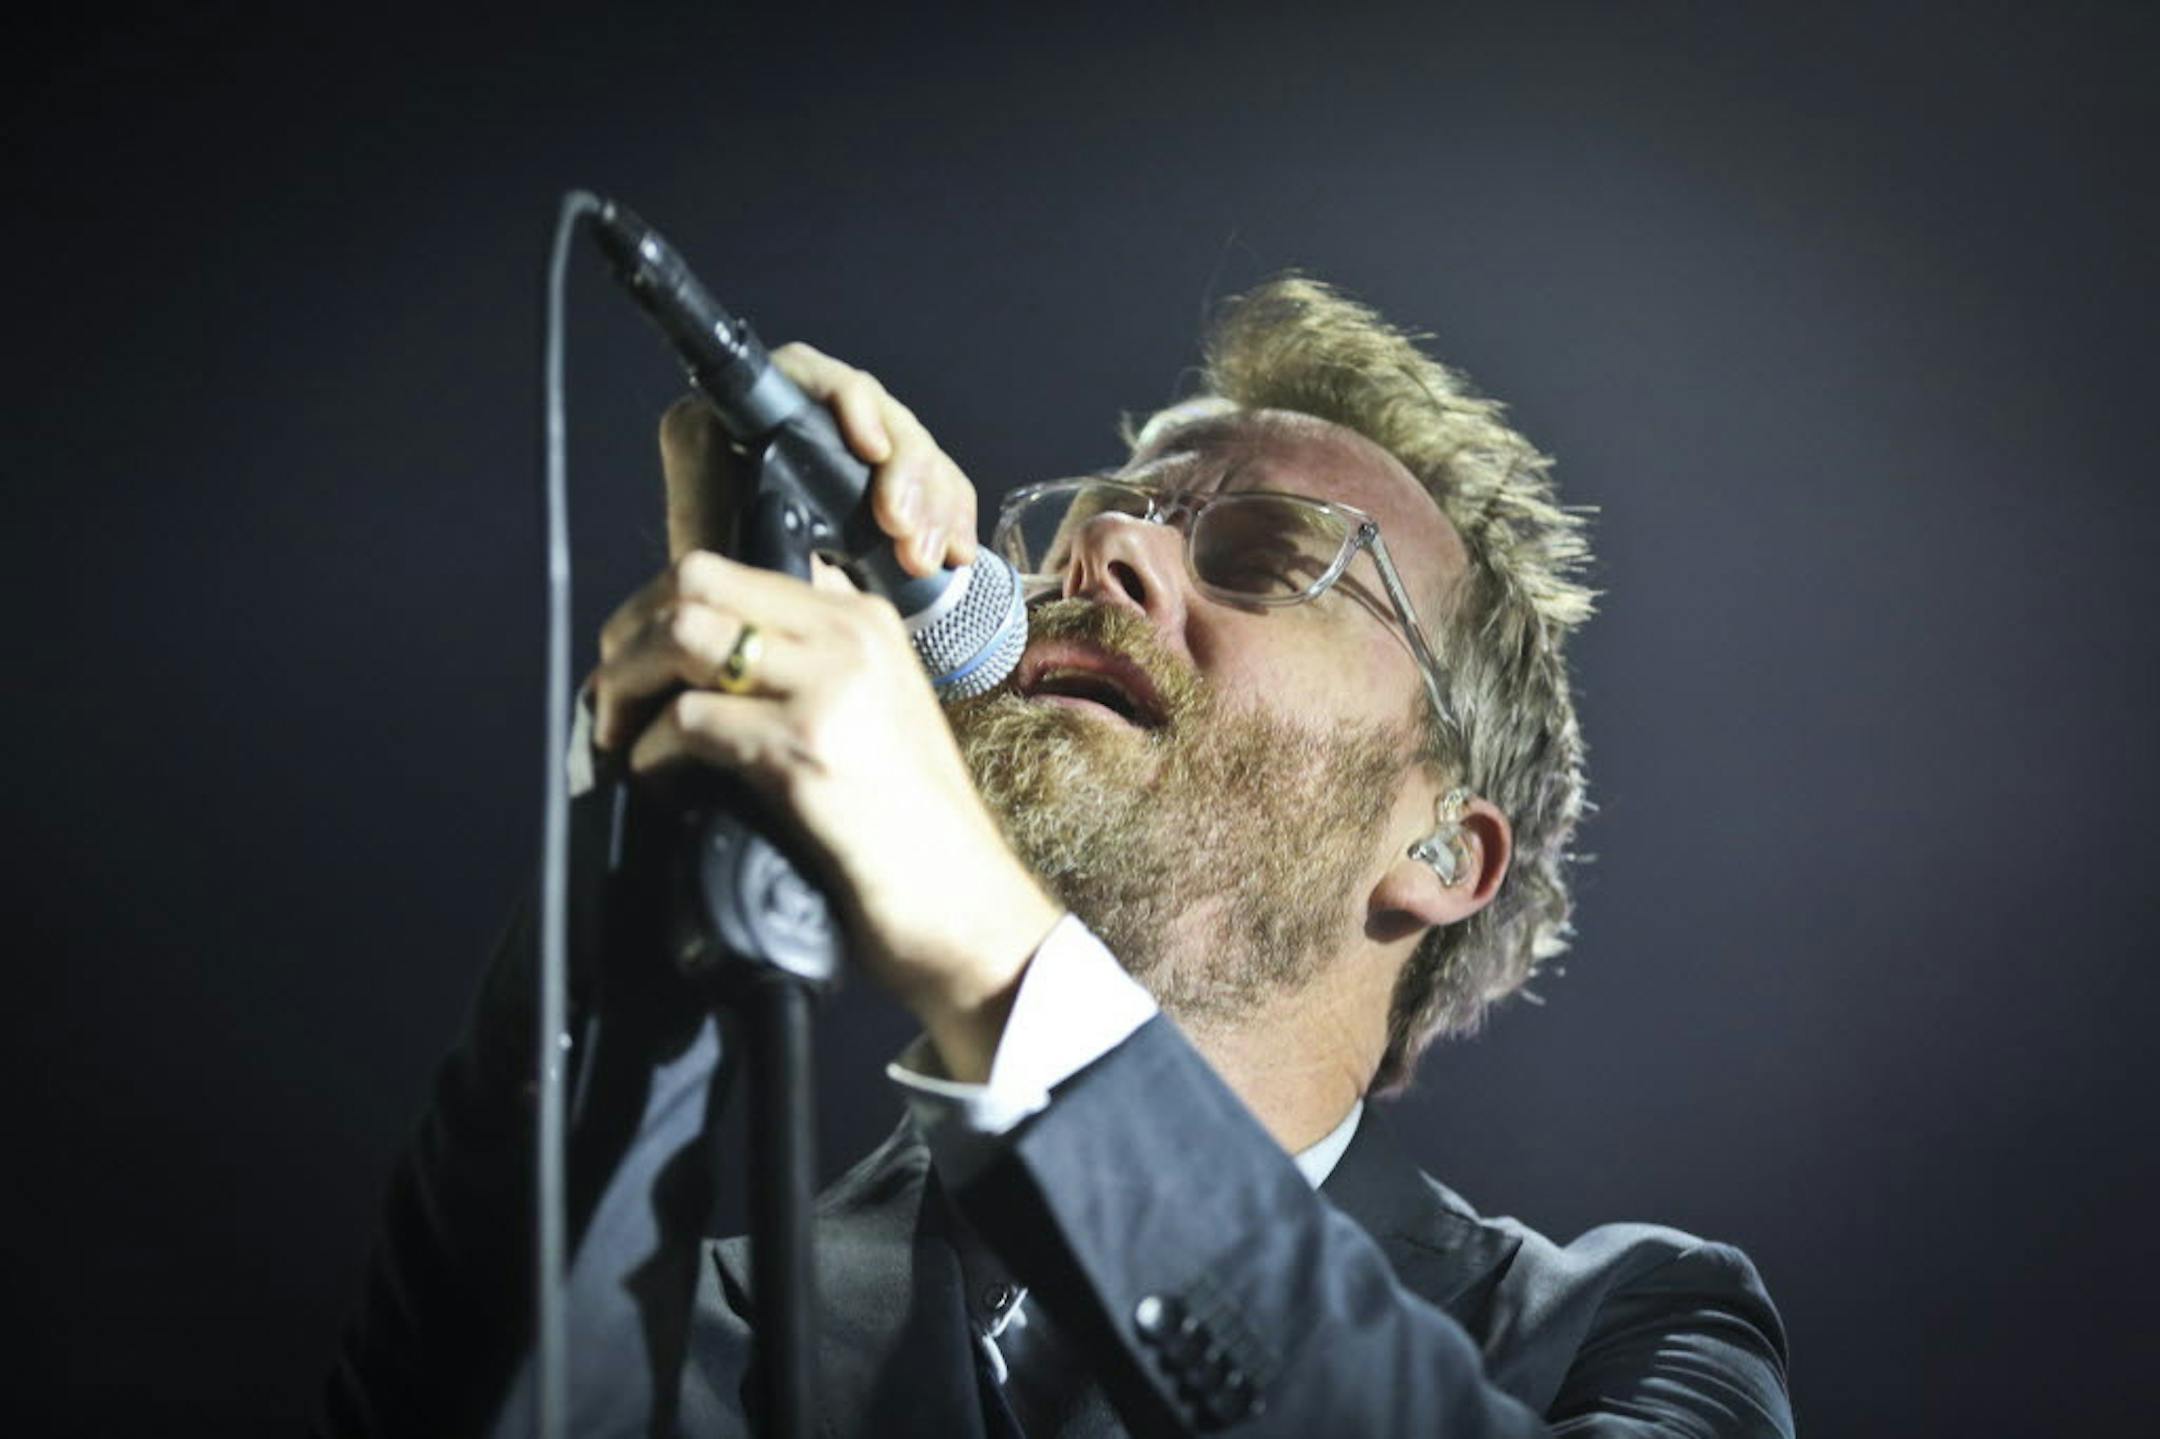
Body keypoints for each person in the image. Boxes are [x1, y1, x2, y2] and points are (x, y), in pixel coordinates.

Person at [322, 278, 1794, 1436]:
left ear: (1445, 849)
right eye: (1093, 523)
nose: (1107, 558)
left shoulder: (1623, 1334)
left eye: (1270, 556)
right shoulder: (698, 1321)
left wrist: (998, 951)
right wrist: (685, 774)